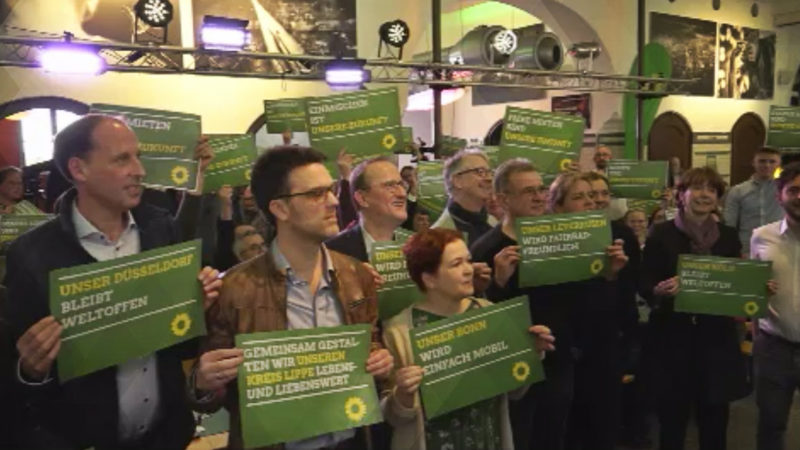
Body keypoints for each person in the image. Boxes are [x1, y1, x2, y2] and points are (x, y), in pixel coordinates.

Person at [4, 114, 221, 450]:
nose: (140, 170)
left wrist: (194, 307)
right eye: (122, 159)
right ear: (79, 169)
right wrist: (30, 370)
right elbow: (15, 380)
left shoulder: (161, 229)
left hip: (166, 438)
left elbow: (179, 346)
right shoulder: (32, 255)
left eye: (138, 157)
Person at [191, 146, 394, 450]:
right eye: (316, 194)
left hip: (351, 441)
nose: (334, 202)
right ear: (280, 209)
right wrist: (203, 383)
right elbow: (214, 396)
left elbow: (369, 352)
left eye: (332, 190)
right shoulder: (234, 288)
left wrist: (380, 362)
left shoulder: (357, 277)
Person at [471, 164, 628, 450]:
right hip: (514, 368)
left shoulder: (559, 237)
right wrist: (498, 282)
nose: (538, 196)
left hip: (559, 363)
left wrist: (608, 273)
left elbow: (587, 304)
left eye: (541, 189)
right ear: (504, 199)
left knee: (554, 437)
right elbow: (475, 321)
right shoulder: (486, 248)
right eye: (528, 190)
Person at [381, 228, 555, 450]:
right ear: (429, 279)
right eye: (456, 264)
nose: (468, 270)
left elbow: (515, 391)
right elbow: (393, 418)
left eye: (468, 261)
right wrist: (403, 395)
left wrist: (530, 353)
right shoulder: (399, 331)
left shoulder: (489, 313)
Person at [640, 167, 751, 450]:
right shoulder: (661, 233)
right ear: (682, 194)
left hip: (716, 341)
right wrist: (659, 290)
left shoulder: (728, 236)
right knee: (672, 421)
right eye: (698, 188)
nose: (705, 195)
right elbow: (645, 282)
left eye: (712, 190)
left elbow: (735, 282)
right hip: (672, 339)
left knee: (715, 420)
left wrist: (756, 290)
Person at [750, 161, 800, 450]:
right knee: (770, 425)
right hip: (774, 347)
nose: (799, 196)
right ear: (779, 196)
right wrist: (757, 336)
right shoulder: (761, 236)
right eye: (793, 190)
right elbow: (752, 292)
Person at [326, 156, 408, 262]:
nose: (402, 194)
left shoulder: (420, 248)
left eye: (401, 185)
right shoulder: (332, 253)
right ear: (362, 198)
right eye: (390, 186)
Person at [724, 146, 783, 255]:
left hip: (780, 247)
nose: (767, 165)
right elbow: (729, 224)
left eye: (772, 161)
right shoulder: (738, 191)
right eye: (762, 161)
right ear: (753, 163)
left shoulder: (784, 190)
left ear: (778, 164)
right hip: (747, 249)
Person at [431, 149, 497, 246]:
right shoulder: (438, 237)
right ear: (457, 181)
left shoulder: (495, 223)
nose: (489, 179)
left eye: (489, 172)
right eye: (480, 172)